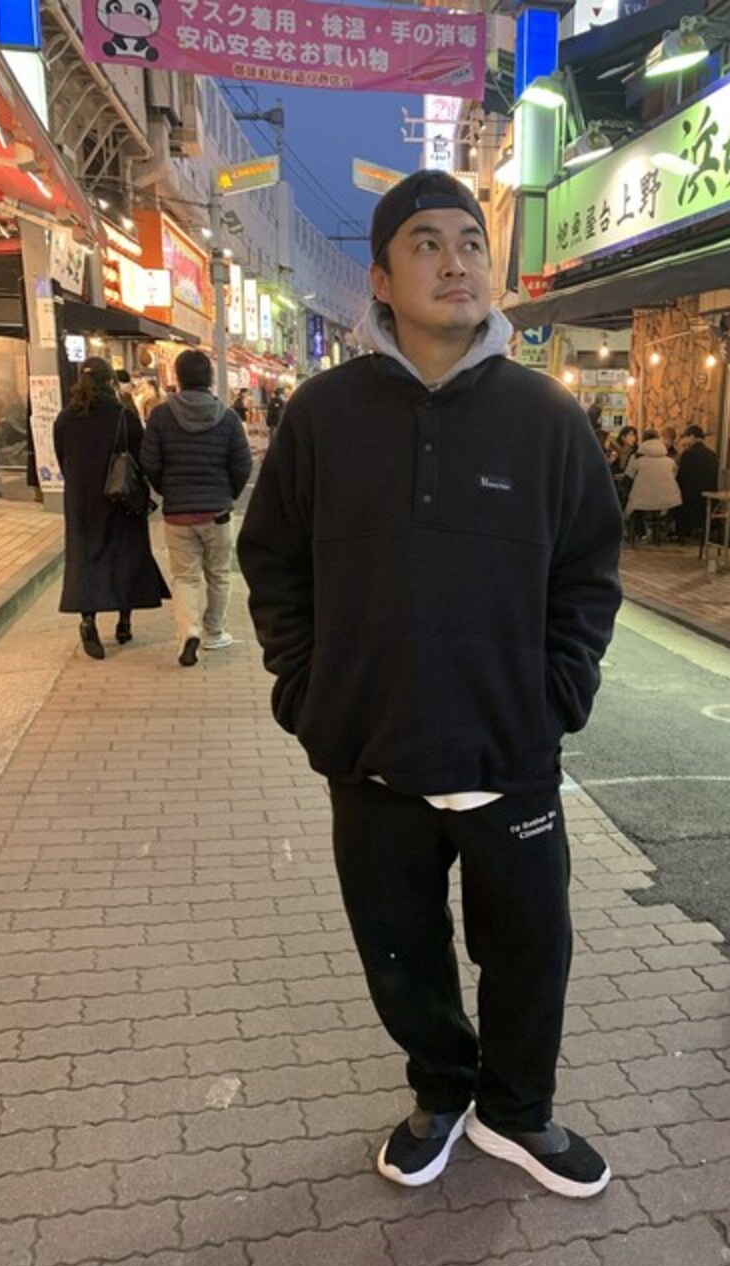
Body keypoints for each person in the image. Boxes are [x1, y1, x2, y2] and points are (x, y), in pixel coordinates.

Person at [238, 169, 623, 1198]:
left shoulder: (546, 415)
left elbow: (590, 569)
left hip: (510, 751)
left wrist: (558, 692)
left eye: (470, 242)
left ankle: (517, 1111)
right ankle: (442, 1091)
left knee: (530, 947)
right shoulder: (323, 414)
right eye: (426, 244)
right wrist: (309, 693)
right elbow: (271, 559)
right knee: (400, 950)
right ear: (379, 278)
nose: (456, 262)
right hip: (372, 754)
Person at [141, 349, 252, 667]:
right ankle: (214, 631)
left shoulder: (161, 416)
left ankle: (188, 631)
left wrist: (168, 490)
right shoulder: (228, 418)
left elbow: (149, 461)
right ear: (210, 378)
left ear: (178, 377)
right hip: (218, 512)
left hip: (178, 513)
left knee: (185, 577)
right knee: (219, 574)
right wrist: (227, 494)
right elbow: (242, 464)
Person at [54, 357, 169, 658]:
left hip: (81, 502)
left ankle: (88, 620)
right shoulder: (123, 416)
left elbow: (63, 459)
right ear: (110, 382)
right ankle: (124, 622)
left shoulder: (65, 419)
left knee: (85, 560)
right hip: (120, 499)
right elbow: (141, 457)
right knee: (124, 557)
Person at [624, 428, 682, 543]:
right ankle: (661, 529)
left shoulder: (636, 458)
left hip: (641, 500)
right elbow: (675, 476)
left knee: (629, 499)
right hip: (666, 501)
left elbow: (628, 477)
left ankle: (636, 533)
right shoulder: (669, 461)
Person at [676, 424, 719, 539]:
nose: (685, 441)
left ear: (692, 436)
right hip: (709, 498)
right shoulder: (712, 455)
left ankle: (681, 532)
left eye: (686, 437)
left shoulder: (688, 454)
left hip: (690, 499)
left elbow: (681, 478)